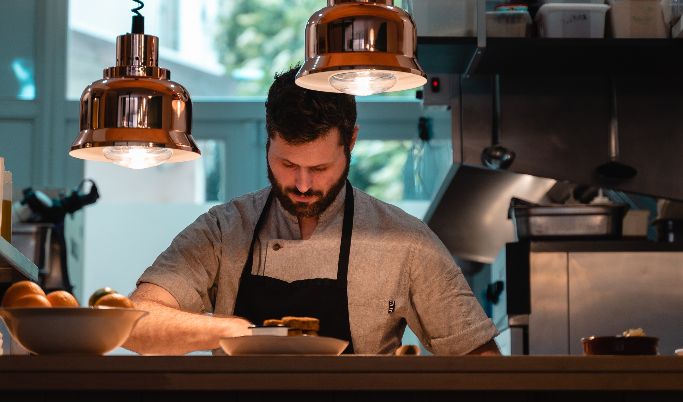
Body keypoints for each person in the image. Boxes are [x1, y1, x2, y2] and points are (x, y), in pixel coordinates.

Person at [123, 66, 500, 356]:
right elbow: (136, 323)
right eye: (287, 164)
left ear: (351, 141)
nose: (303, 185)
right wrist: (231, 331)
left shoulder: (406, 241)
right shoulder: (223, 231)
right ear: (268, 138)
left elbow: (482, 363)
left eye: (320, 169)